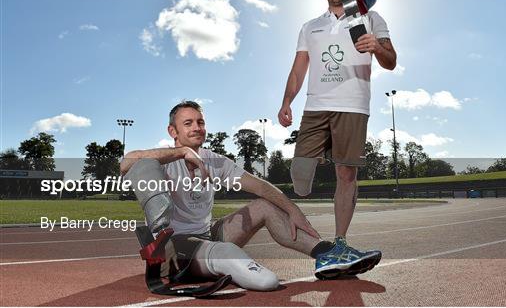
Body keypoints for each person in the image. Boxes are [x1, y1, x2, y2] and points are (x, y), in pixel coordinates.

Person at [120, 101, 372, 293]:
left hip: (208, 234)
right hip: (176, 245)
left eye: (200, 122)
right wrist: (181, 153)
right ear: (172, 131)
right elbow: (127, 162)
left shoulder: (214, 160)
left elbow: (260, 186)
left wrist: (293, 210)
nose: (197, 128)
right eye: (188, 123)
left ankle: (327, 254)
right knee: (264, 280)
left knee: (265, 206)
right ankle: (166, 248)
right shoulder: (165, 160)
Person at [278, 0, 397, 273]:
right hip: (316, 106)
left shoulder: (370, 17)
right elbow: (297, 69)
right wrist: (286, 102)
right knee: (301, 178)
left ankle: (341, 242)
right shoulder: (310, 26)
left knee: (346, 175)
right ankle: (310, 171)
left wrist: (377, 48)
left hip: (353, 104)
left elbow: (391, 61)